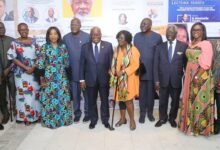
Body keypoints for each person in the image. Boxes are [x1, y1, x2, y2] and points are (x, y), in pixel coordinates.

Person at [178, 22, 214, 136]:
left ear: (203, 31)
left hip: (200, 76)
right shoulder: (191, 43)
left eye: (198, 30)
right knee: (189, 99)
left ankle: (199, 128)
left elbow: (207, 63)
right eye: (194, 30)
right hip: (190, 74)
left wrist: (197, 76)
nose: (196, 32)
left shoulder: (206, 44)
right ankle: (188, 125)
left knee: (198, 101)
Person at [35, 26, 73, 129]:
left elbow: (66, 63)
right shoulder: (44, 47)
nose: (53, 36)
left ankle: (65, 120)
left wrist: (67, 78)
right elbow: (40, 65)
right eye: (51, 34)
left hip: (62, 77)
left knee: (63, 99)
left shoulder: (63, 47)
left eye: (55, 33)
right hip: (49, 78)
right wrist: (42, 80)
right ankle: (51, 122)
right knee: (50, 100)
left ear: (58, 35)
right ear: (48, 35)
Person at [154, 25, 187, 128]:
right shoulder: (160, 47)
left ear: (176, 35)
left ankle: (172, 118)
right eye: (168, 33)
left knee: (175, 101)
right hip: (163, 79)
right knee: (163, 101)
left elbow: (186, 65)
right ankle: (162, 118)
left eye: (172, 33)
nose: (169, 35)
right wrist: (156, 80)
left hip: (176, 79)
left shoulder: (183, 46)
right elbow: (155, 64)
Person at [79, 27, 113, 129]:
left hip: (104, 79)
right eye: (93, 34)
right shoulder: (85, 47)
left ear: (101, 34)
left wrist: (112, 76)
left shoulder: (108, 46)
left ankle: (105, 120)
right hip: (90, 79)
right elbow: (82, 65)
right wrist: (82, 79)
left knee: (104, 100)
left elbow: (112, 63)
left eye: (97, 34)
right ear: (91, 35)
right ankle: (93, 120)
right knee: (91, 101)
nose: (96, 36)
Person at [7, 23, 40, 125]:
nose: (24, 31)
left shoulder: (34, 41)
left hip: (33, 73)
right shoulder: (14, 43)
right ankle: (25, 118)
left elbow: (40, 56)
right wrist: (25, 67)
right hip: (20, 74)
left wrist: (33, 67)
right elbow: (12, 57)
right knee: (22, 95)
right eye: (21, 30)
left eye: (25, 29)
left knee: (34, 94)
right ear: (18, 31)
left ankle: (35, 116)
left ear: (28, 29)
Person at [134, 18, 163, 123]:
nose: (142, 25)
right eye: (141, 24)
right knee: (141, 94)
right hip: (140, 71)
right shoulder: (136, 36)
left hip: (152, 70)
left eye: (145, 24)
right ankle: (142, 114)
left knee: (151, 94)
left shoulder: (157, 37)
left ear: (150, 25)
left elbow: (160, 54)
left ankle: (150, 113)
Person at [110, 30, 140, 130]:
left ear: (127, 39)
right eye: (118, 37)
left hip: (129, 79)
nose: (119, 39)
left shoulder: (133, 50)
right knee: (121, 101)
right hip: (118, 79)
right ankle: (123, 119)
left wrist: (123, 72)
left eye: (122, 38)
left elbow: (136, 65)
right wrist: (113, 71)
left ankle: (132, 120)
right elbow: (114, 62)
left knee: (128, 100)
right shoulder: (117, 49)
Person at [63, 18, 90, 123]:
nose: (73, 26)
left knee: (87, 96)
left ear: (80, 25)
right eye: (72, 24)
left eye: (76, 24)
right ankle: (77, 114)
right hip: (72, 72)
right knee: (75, 95)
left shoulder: (87, 37)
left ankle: (87, 114)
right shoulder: (65, 38)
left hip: (85, 73)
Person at [0, 22, 16, 126]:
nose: (1, 29)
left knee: (14, 91)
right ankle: (5, 114)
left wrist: (9, 68)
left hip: (11, 71)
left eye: (2, 27)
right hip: (0, 74)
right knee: (1, 96)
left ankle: (15, 109)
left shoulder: (11, 40)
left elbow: (17, 56)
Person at [211, 39, 220, 134]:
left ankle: (218, 125)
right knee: (210, 105)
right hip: (210, 80)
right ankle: (212, 122)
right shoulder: (212, 43)